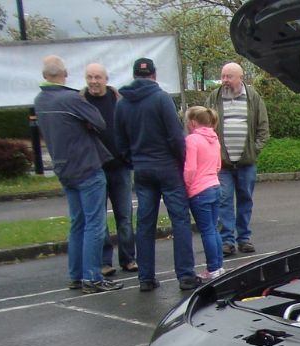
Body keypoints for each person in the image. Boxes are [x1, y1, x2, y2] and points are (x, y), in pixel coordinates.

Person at [33, 56, 123, 293]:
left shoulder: (40, 100)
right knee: (94, 223)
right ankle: (92, 277)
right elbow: (99, 122)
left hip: (63, 167)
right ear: (65, 73)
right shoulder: (70, 98)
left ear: (44, 76)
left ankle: (76, 274)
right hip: (86, 166)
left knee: (77, 223)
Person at [115, 57, 198, 291]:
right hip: (167, 166)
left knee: (144, 224)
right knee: (180, 220)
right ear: (154, 75)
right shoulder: (161, 98)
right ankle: (185, 275)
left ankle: (146, 277)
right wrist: (180, 161)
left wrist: (133, 161)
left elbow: (120, 141)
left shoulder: (122, 103)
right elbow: (175, 136)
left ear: (134, 75)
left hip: (142, 168)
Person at [206, 62, 269, 256]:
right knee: (224, 200)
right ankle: (227, 241)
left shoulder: (253, 97)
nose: (225, 80)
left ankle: (244, 238)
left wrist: (254, 150)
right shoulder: (214, 97)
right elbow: (205, 126)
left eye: (229, 77)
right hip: (222, 164)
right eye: (223, 76)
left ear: (240, 78)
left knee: (245, 200)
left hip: (246, 163)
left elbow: (263, 127)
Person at [81, 62, 137, 276]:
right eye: (90, 77)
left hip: (120, 167)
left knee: (125, 216)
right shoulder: (80, 102)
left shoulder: (118, 100)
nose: (93, 81)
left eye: (97, 77)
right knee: (99, 219)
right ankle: (105, 261)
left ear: (106, 78)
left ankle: (128, 259)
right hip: (94, 169)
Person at [183, 106, 225, 278]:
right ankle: (219, 266)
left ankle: (212, 268)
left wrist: (187, 186)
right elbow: (218, 165)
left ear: (193, 122)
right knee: (213, 229)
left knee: (207, 231)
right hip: (215, 185)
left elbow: (190, 168)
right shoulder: (214, 138)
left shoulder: (192, 139)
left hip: (199, 190)